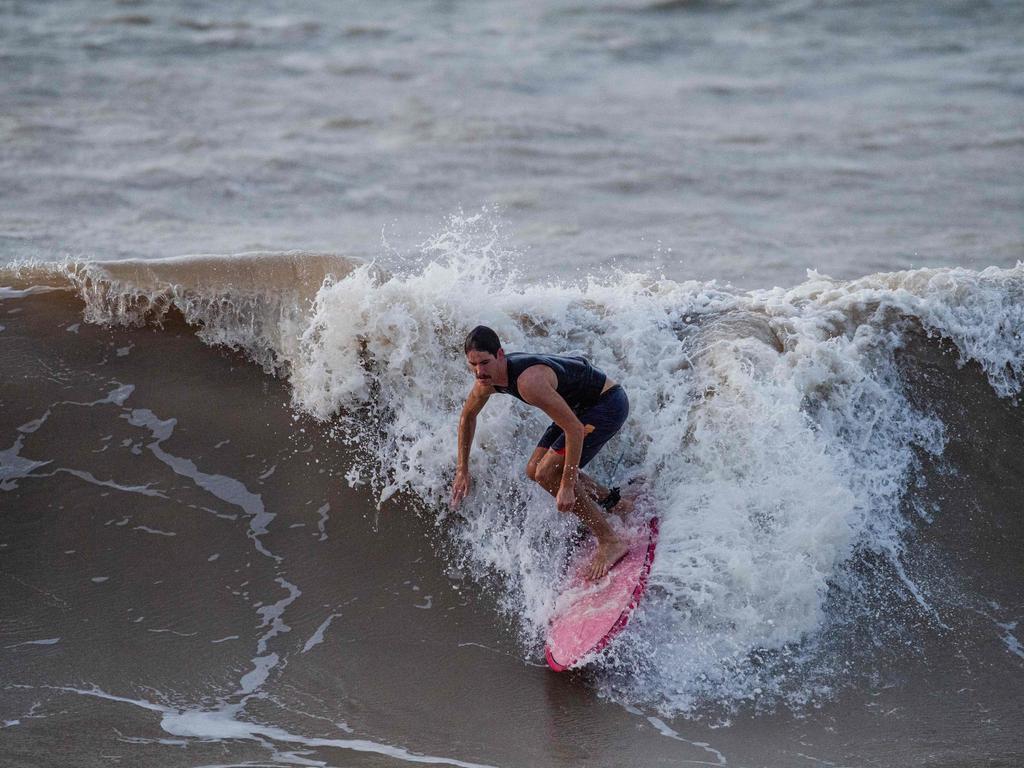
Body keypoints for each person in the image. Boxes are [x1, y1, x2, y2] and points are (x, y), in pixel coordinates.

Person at [450, 325, 631, 580]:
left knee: (549, 473)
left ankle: (610, 540)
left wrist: (567, 485)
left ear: (500, 355)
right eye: (473, 364)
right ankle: (615, 504)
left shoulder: (528, 382)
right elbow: (467, 417)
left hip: (606, 404)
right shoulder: (487, 381)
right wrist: (462, 470)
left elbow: (575, 430)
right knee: (534, 470)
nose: (479, 371)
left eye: (485, 362)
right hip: (577, 409)